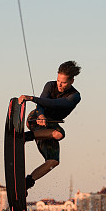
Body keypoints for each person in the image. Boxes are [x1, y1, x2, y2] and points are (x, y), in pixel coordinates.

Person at [18, 60, 81, 195]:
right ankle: (23, 137)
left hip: (49, 128)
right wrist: (40, 115)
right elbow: (42, 102)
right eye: (58, 80)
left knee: (53, 161)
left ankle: (26, 183)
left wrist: (31, 98)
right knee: (60, 134)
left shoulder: (74, 96)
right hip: (35, 119)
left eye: (63, 82)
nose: (59, 84)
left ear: (71, 81)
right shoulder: (50, 85)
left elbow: (55, 104)